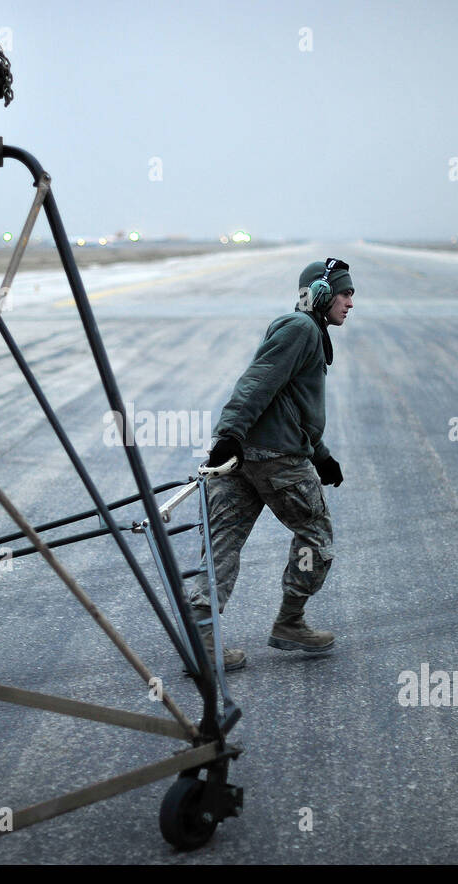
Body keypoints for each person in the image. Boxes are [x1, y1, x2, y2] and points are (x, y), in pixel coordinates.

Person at [185, 257, 352, 672]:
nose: (351, 303)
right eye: (345, 293)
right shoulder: (300, 329)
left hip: (245, 459)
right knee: (317, 538)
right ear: (322, 293)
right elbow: (257, 381)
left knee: (222, 543)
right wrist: (229, 434)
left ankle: (201, 643)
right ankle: (290, 622)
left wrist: (323, 457)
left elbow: (289, 406)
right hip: (276, 461)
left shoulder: (304, 331)